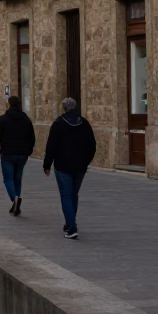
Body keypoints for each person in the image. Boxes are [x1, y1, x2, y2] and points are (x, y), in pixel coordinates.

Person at [42, 98, 97, 240]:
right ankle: (69, 222)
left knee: (66, 195)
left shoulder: (58, 123)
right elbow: (92, 144)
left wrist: (47, 164)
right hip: (80, 166)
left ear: (63, 108)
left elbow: (51, 146)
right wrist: (86, 161)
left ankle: (72, 227)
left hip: (62, 165)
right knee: (73, 194)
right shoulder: (84, 123)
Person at [0, 96, 36, 216]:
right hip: (22, 154)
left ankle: (14, 200)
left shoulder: (3, 119)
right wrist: (29, 150)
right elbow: (32, 137)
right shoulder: (26, 119)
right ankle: (16, 202)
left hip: (7, 153)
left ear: (9, 104)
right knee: (17, 179)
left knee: (8, 179)